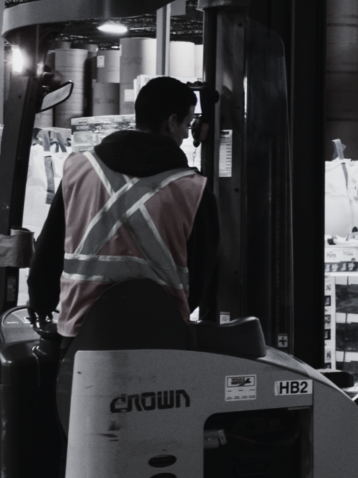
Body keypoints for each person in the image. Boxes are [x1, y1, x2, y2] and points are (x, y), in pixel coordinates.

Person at [28, 75, 219, 379]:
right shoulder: (194, 189)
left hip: (81, 331)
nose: (186, 134)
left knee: (78, 421)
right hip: (161, 335)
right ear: (171, 122)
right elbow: (202, 272)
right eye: (186, 124)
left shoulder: (79, 169)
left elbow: (50, 247)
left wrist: (40, 300)